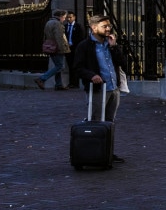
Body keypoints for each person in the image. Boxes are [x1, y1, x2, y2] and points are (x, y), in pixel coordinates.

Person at [71, 16, 126, 163]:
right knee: (95, 121)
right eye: (104, 26)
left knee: (110, 122)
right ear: (94, 28)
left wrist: (114, 47)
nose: (108, 29)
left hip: (114, 88)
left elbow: (123, 62)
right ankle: (93, 152)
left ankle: (107, 152)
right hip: (97, 90)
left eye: (109, 26)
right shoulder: (85, 46)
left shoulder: (110, 44)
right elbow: (78, 67)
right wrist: (92, 75)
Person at [35, 10, 71, 90]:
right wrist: (62, 49)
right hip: (57, 47)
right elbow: (59, 38)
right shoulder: (57, 24)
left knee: (58, 65)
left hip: (50, 46)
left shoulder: (49, 22)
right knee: (59, 66)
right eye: (64, 17)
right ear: (60, 16)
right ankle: (42, 78)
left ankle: (59, 84)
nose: (64, 19)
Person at [64, 12, 81, 87]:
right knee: (70, 65)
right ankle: (71, 82)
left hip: (75, 48)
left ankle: (76, 82)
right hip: (68, 49)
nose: (69, 19)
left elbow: (81, 37)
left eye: (70, 17)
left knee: (75, 65)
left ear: (74, 17)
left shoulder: (78, 26)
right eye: (67, 17)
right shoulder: (65, 26)